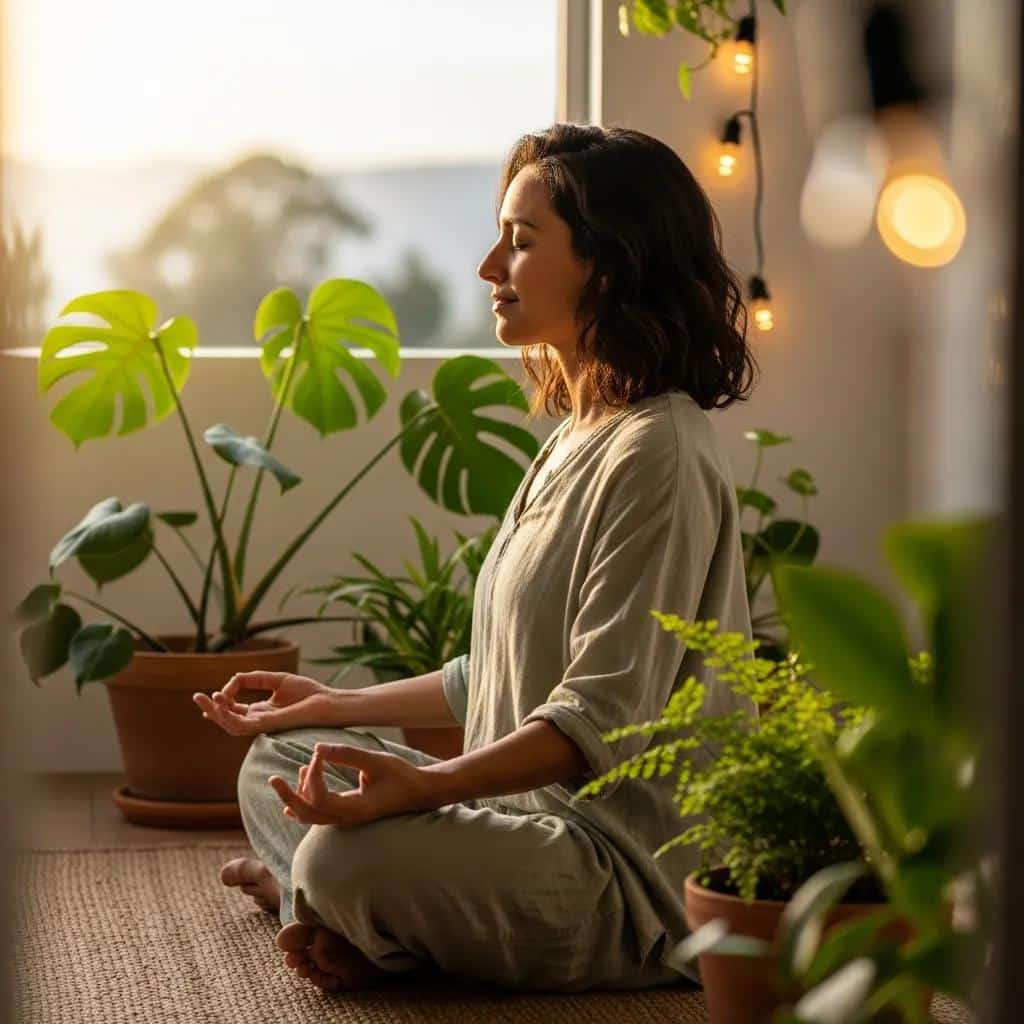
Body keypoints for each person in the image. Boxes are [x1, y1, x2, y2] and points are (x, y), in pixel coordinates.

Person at [192, 122, 759, 995]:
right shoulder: (578, 434)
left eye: (522, 243)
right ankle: (354, 911)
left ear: (609, 264)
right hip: (507, 818)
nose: (490, 269)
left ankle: (329, 900)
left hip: (615, 874)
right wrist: (332, 701)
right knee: (281, 758)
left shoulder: (661, 453)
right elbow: (491, 673)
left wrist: (419, 794)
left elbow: (592, 720)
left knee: (344, 857)